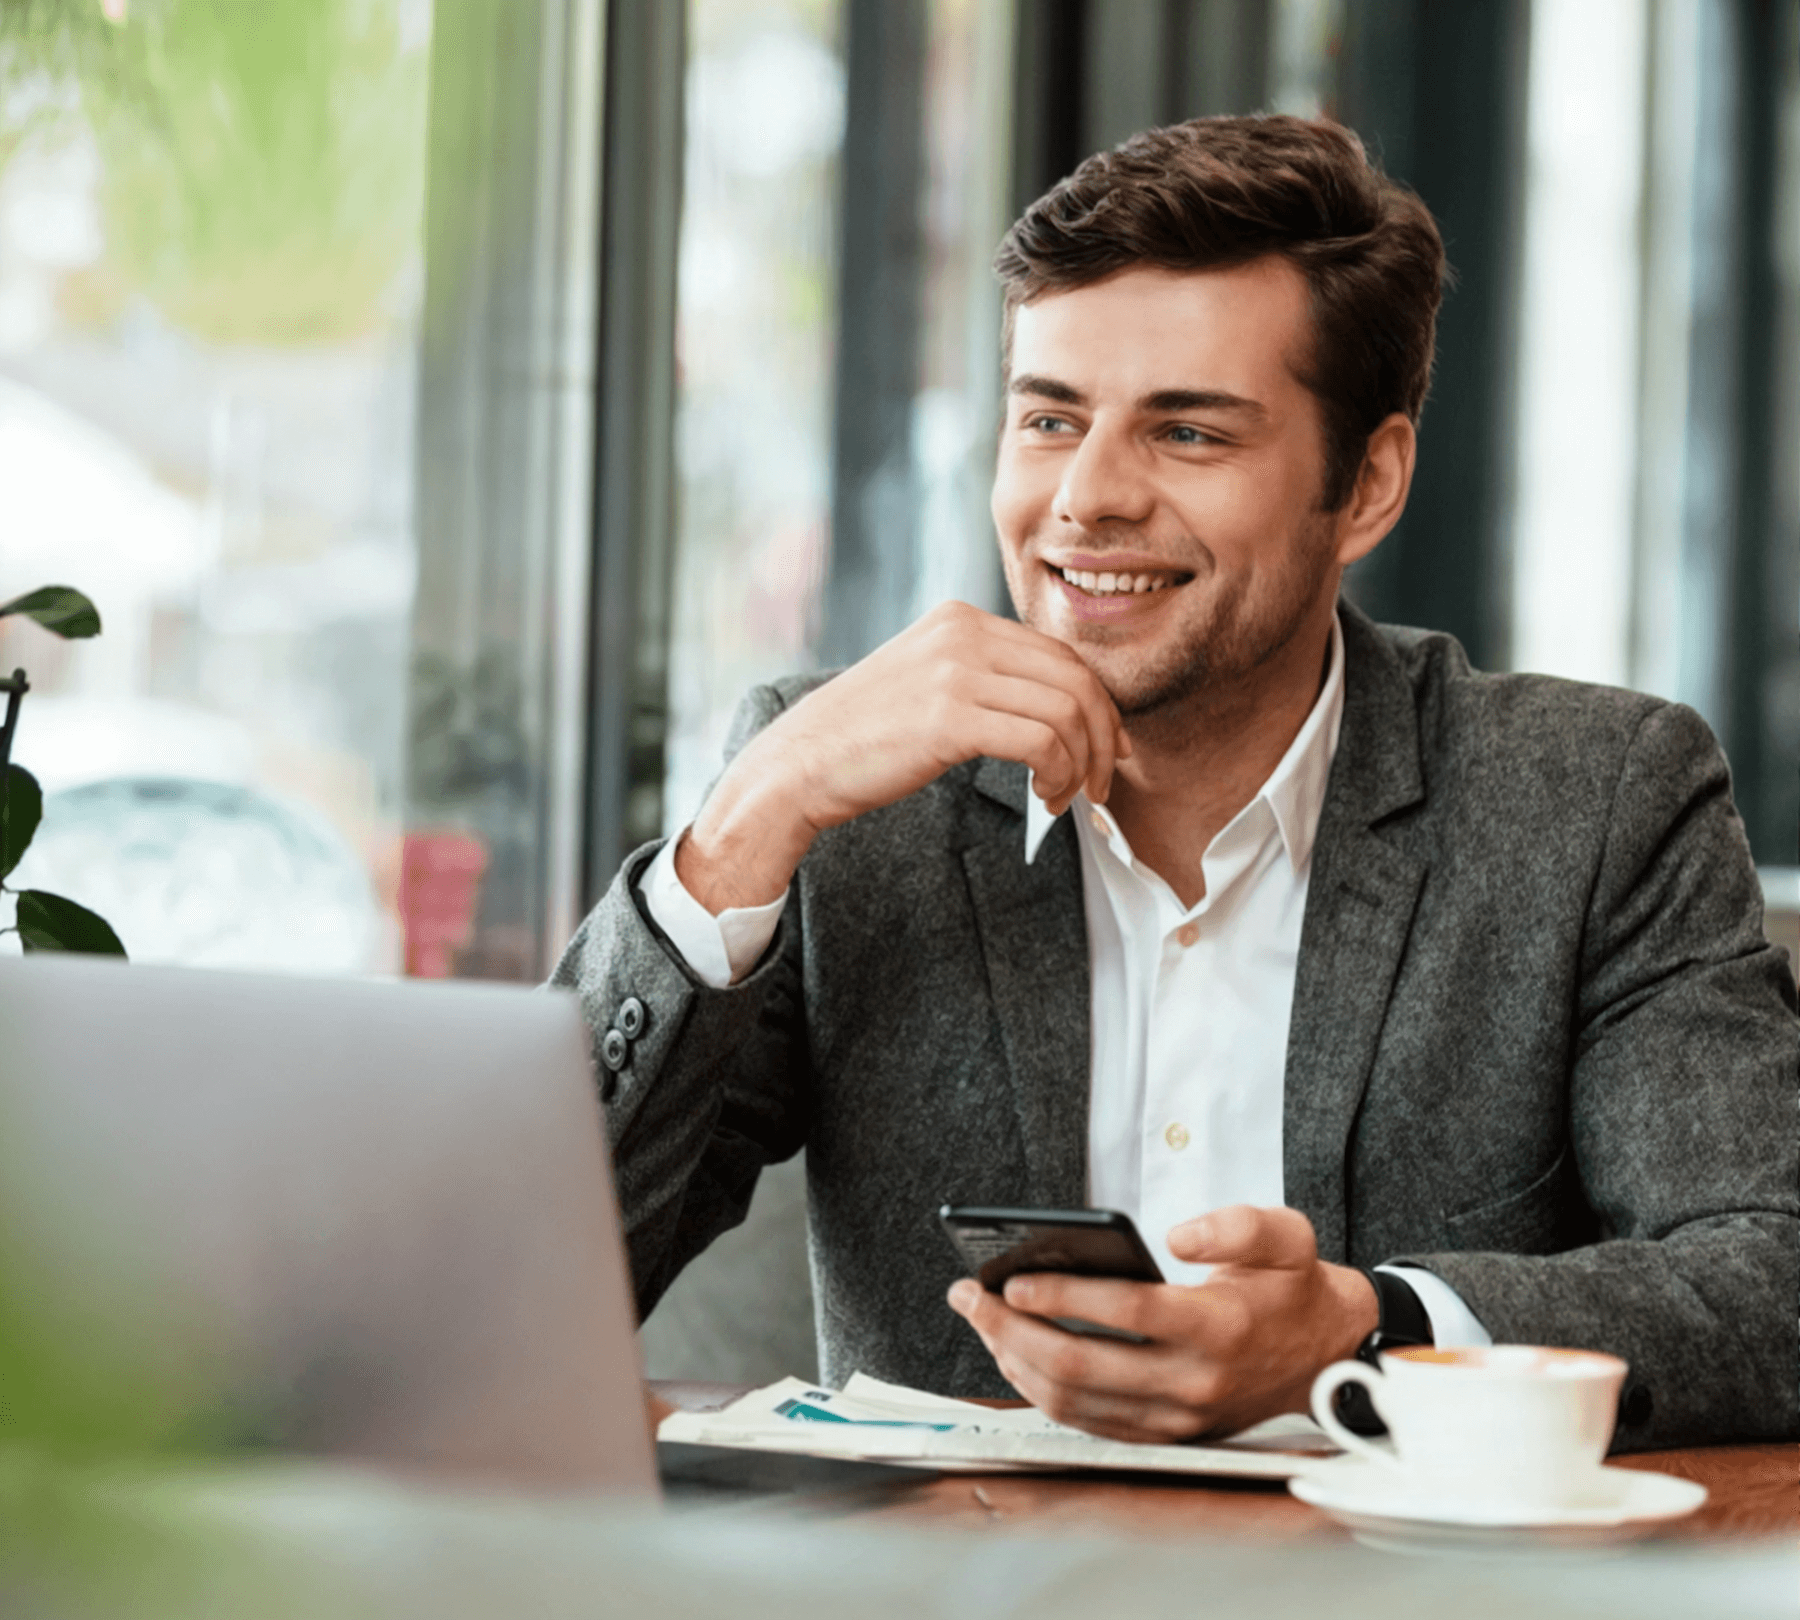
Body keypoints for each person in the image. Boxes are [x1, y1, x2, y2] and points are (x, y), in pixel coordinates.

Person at [553, 115, 1798, 1448]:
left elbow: (1772, 1282)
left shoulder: (1594, 800)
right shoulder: (846, 797)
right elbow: (531, 1270)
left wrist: (1369, 1331)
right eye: (1049, 419)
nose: (1085, 499)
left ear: (1367, 484)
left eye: (1188, 434)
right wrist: (742, 824)